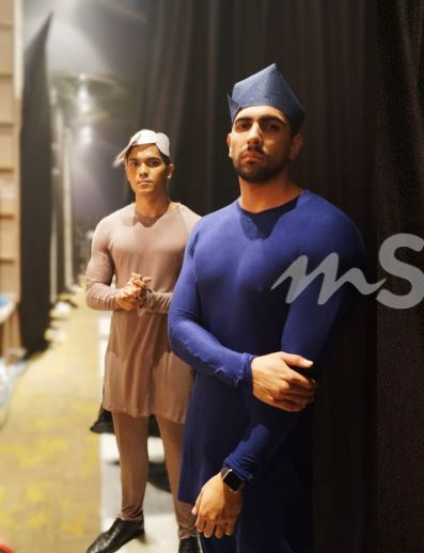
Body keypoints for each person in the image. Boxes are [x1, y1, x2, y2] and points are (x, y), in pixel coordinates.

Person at [168, 63, 365, 553]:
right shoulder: (206, 230)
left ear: (294, 145)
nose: (254, 135)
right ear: (229, 142)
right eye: (244, 124)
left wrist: (236, 474)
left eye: (270, 125)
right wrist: (247, 369)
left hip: (269, 465)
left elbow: (294, 379)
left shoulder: (327, 231)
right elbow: (178, 327)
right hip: (207, 449)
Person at [85, 130, 200, 553]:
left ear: (169, 169)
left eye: (152, 162)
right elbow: (93, 291)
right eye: (134, 164)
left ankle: (188, 533)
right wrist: (121, 297)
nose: (142, 171)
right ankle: (129, 517)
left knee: (177, 443)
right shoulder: (110, 225)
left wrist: (151, 300)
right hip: (125, 348)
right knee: (128, 438)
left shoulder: (194, 226)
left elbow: (201, 297)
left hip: (174, 349)